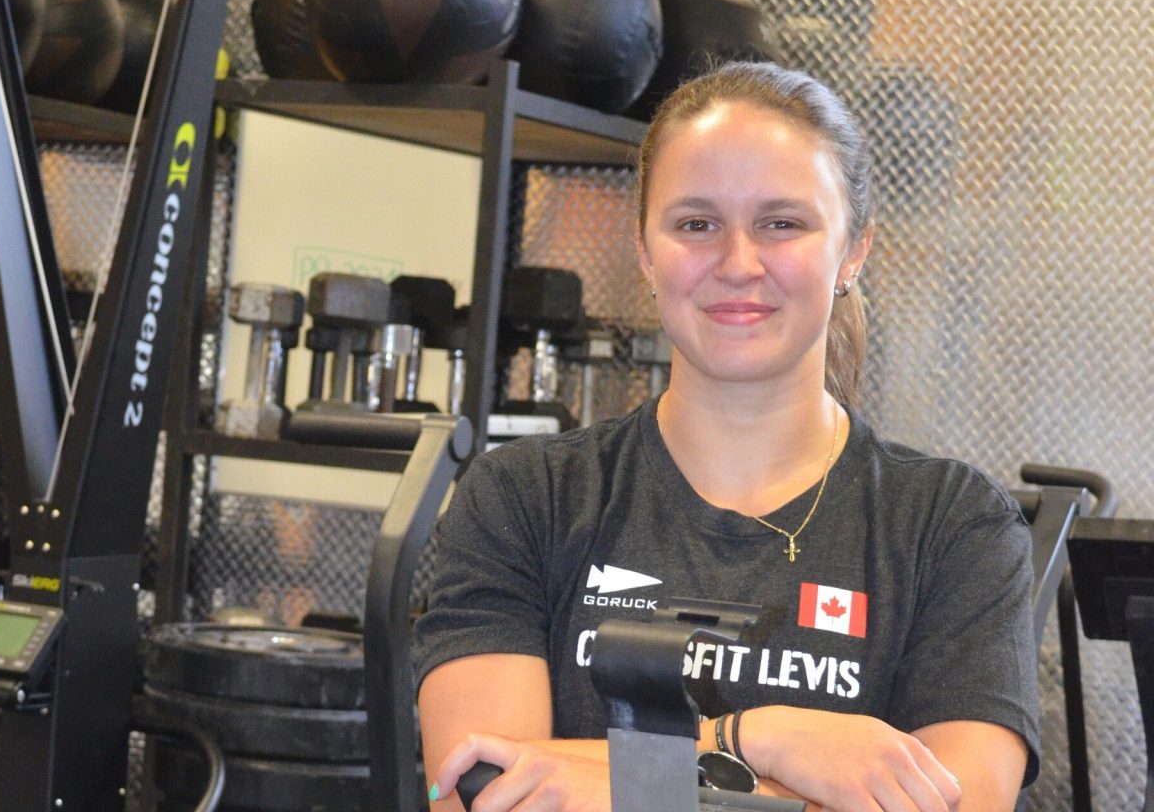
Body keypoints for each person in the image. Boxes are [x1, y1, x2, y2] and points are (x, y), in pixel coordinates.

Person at [414, 63, 1038, 812]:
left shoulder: (953, 526)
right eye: (696, 225)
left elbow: (961, 803)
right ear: (645, 252)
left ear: (853, 250)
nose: (739, 264)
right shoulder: (525, 496)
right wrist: (762, 741)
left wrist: (602, 776)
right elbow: (479, 789)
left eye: (782, 223)